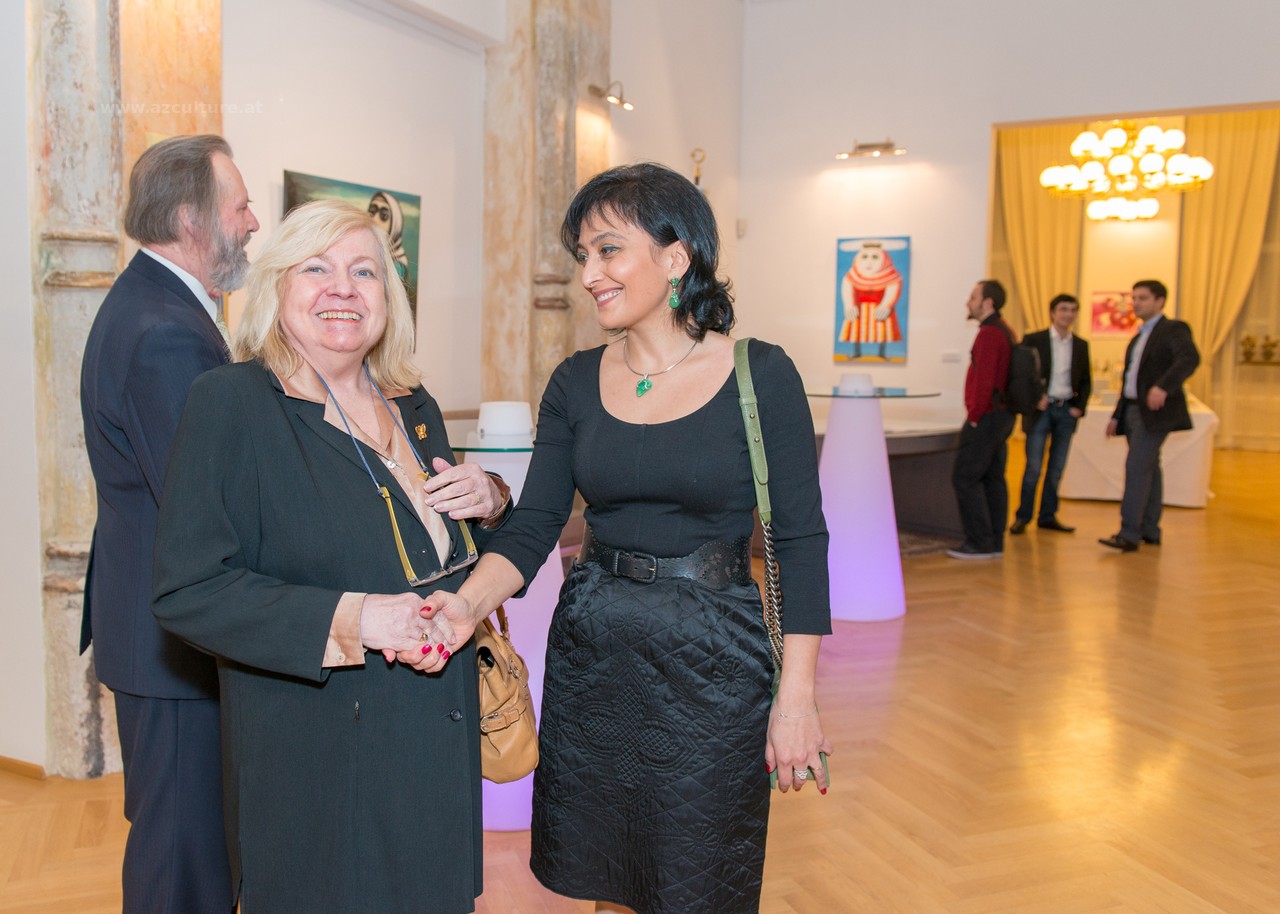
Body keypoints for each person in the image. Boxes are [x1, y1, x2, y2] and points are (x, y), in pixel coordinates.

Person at [419, 163, 833, 914]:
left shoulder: (760, 374)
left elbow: (800, 541)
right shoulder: (575, 381)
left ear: (675, 257)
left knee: (696, 879)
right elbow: (535, 526)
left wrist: (796, 699)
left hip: (714, 659)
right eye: (583, 255)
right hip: (596, 655)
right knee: (608, 875)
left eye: (608, 250)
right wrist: (463, 607)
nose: (590, 275)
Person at [150, 200, 511, 913]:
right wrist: (358, 619)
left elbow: (449, 553)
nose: (343, 288)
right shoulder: (231, 403)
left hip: (435, 749)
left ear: (389, 297)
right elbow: (187, 590)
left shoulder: (414, 405)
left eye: (364, 272)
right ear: (277, 287)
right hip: (318, 771)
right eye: (316, 268)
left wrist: (491, 500)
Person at [79, 134, 258, 914]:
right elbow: (204, 501)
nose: (253, 222)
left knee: (181, 849)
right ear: (192, 219)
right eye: (240, 206)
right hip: (175, 648)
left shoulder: (156, 306)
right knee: (183, 866)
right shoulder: (166, 332)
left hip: (156, 636)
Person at [1099, 279, 1200, 552]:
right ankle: (1149, 530)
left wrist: (1163, 387)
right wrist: (1117, 416)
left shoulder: (1173, 329)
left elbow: (1189, 358)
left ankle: (1128, 533)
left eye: (1142, 298)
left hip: (1154, 413)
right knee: (1149, 469)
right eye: (1134, 298)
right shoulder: (1137, 338)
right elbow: (1130, 381)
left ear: (1160, 301)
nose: (1136, 303)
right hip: (1133, 410)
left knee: (1136, 467)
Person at [947, 279, 1017, 560]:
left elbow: (985, 380)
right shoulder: (1004, 330)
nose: (968, 302)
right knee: (992, 478)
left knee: (965, 478)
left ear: (987, 302)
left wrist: (975, 415)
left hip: (986, 417)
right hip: (1001, 416)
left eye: (973, 297)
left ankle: (979, 542)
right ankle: (995, 541)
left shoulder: (989, 334)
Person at [1010, 293, 1092, 535]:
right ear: (1053, 313)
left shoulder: (1081, 345)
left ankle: (1047, 516)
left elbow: (1086, 379)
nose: (1068, 314)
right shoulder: (1034, 339)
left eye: (1073, 310)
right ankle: (1023, 517)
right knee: (1033, 468)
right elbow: (1022, 374)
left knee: (1056, 469)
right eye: (1063, 309)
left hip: (1066, 411)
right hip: (1041, 411)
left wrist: (1079, 406)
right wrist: (1035, 398)